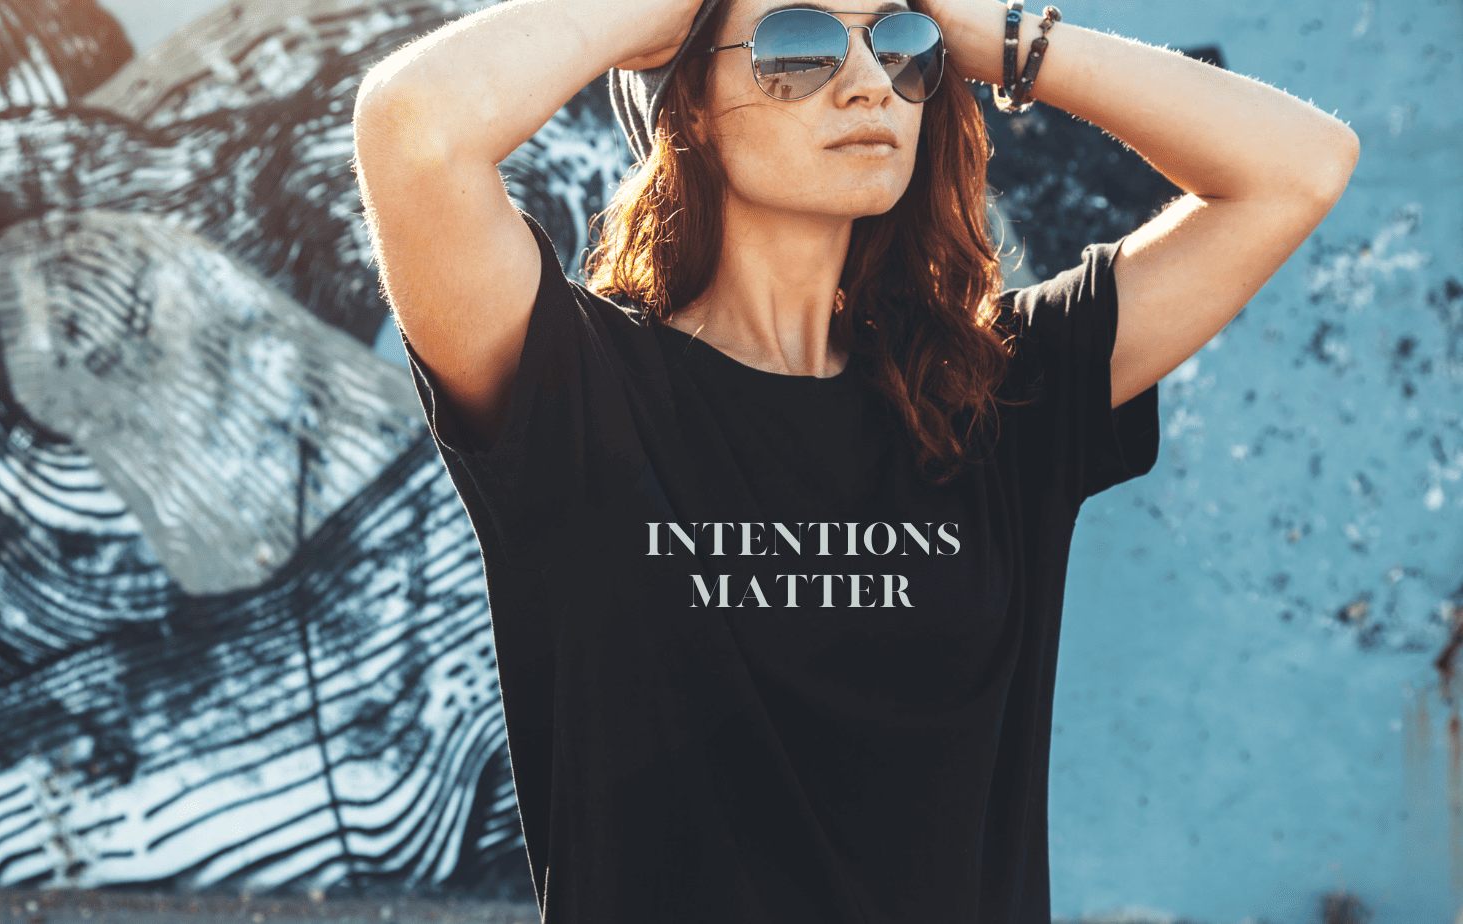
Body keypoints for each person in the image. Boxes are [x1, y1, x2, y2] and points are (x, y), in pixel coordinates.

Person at [351, 0, 1357, 919]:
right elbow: (413, 128)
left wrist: (999, 39)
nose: (869, 81)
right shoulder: (574, 388)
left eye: (899, 45)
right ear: (688, 106)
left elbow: (1297, 168)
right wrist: (661, 10)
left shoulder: (994, 392)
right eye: (798, 45)